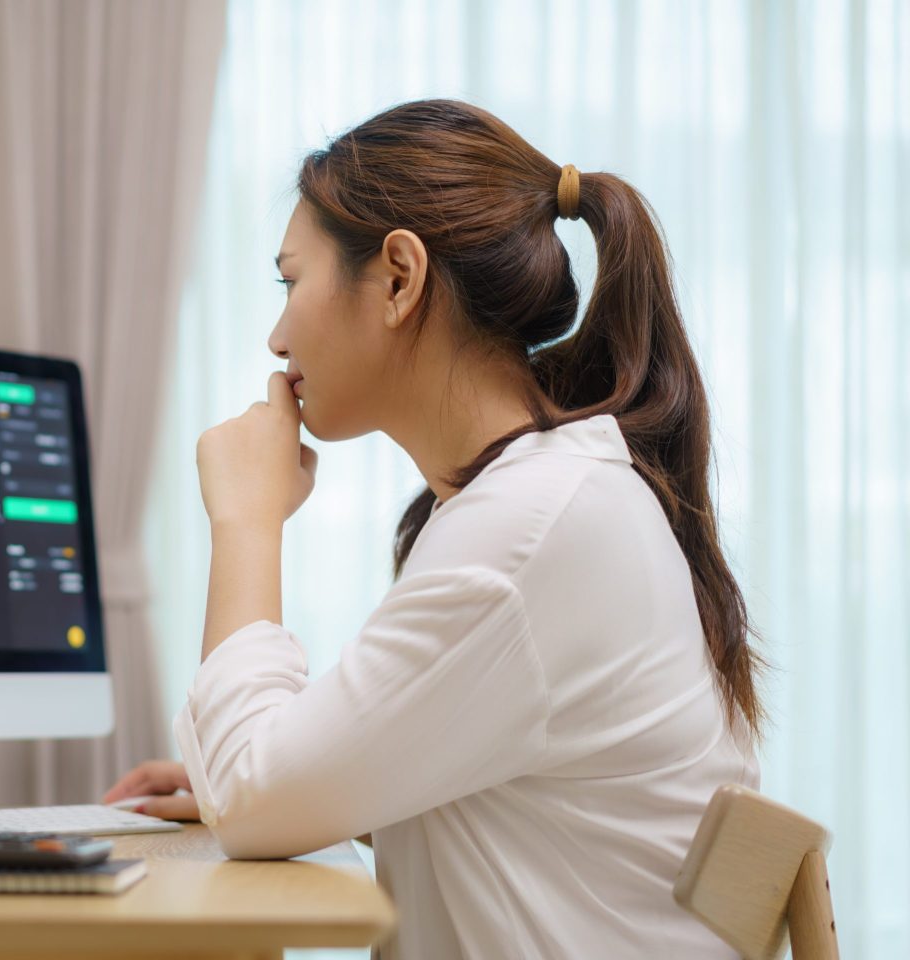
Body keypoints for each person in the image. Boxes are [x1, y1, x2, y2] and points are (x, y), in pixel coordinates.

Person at [103, 99, 762, 959]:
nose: (276, 337)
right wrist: (302, 783)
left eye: (290, 283)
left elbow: (250, 799)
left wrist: (246, 520)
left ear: (399, 279)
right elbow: (293, 792)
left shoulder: (528, 531)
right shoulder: (550, 502)